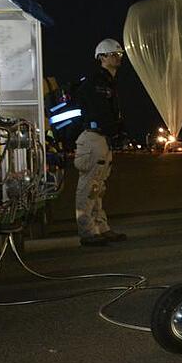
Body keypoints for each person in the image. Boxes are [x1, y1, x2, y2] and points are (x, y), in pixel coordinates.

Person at [73, 38, 129, 247]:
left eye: (119, 55)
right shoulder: (96, 83)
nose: (118, 58)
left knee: (98, 187)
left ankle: (101, 228)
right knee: (89, 187)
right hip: (93, 138)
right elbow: (100, 112)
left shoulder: (107, 83)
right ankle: (87, 231)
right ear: (102, 57)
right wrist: (114, 130)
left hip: (102, 139)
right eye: (114, 54)